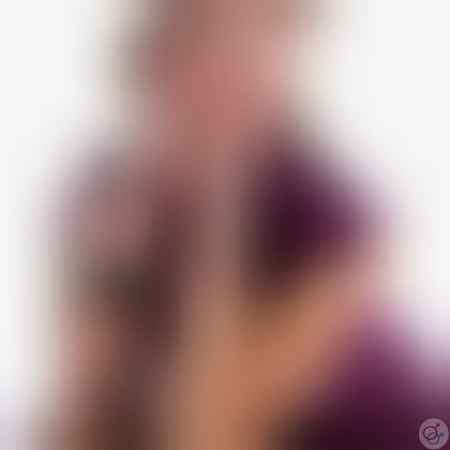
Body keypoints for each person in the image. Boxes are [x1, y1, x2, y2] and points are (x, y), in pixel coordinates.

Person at [48, 1, 448, 450]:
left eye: (259, 40)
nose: (230, 65)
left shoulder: (332, 216)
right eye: (206, 34)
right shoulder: (109, 199)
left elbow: (213, 427)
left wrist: (220, 212)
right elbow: (84, 417)